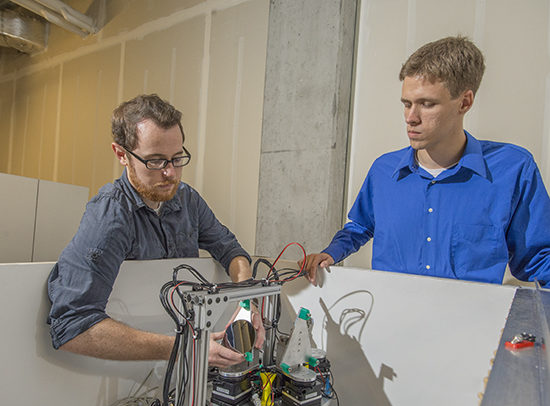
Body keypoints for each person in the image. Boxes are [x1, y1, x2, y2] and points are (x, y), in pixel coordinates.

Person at [305, 36, 550, 286]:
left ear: (464, 102)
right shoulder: (383, 171)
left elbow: (538, 258)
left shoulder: (513, 170)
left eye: (427, 104)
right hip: (390, 320)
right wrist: (332, 252)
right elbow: (359, 227)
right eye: (407, 104)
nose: (411, 118)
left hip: (474, 323)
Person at [47, 94, 263, 367]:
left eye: (177, 158)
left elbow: (231, 251)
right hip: (127, 369)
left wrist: (245, 301)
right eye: (155, 161)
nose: (171, 173)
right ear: (121, 154)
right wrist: (185, 347)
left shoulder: (187, 200)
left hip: (180, 365)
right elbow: (72, 326)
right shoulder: (110, 216)